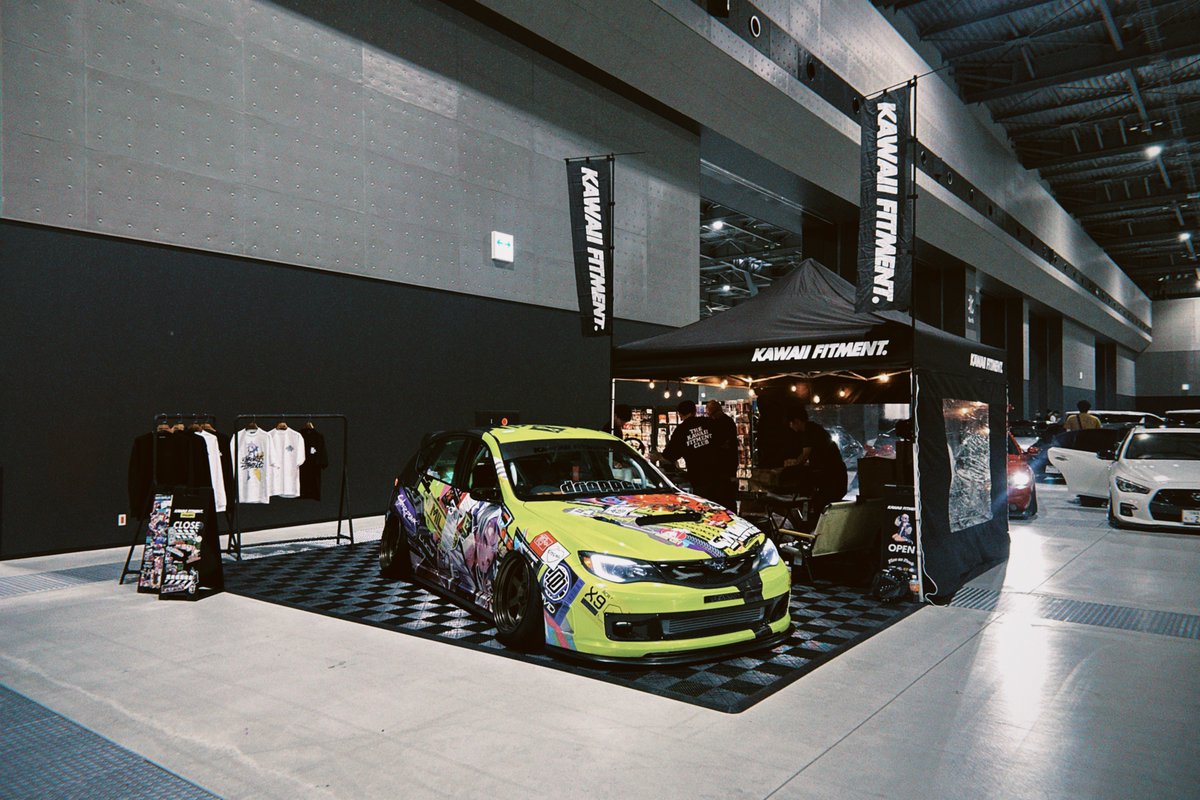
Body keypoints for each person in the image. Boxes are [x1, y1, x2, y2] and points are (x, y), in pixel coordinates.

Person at [780, 405, 848, 516]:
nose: (790, 426)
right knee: (820, 506)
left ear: (796, 421)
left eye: (790, 423)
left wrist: (793, 466)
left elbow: (805, 455)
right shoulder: (813, 429)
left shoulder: (809, 431)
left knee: (821, 508)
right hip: (835, 476)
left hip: (833, 478)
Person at [655, 400, 724, 507]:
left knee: (704, 507)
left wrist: (656, 457)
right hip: (719, 474)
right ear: (694, 411)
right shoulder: (709, 422)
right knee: (721, 507)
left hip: (699, 477)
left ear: (680, 414)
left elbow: (669, 455)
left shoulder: (681, 430)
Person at [704, 400, 739, 510]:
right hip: (727, 465)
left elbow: (723, 443)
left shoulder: (719, 423)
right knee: (727, 497)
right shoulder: (728, 422)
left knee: (723, 495)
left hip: (722, 466)